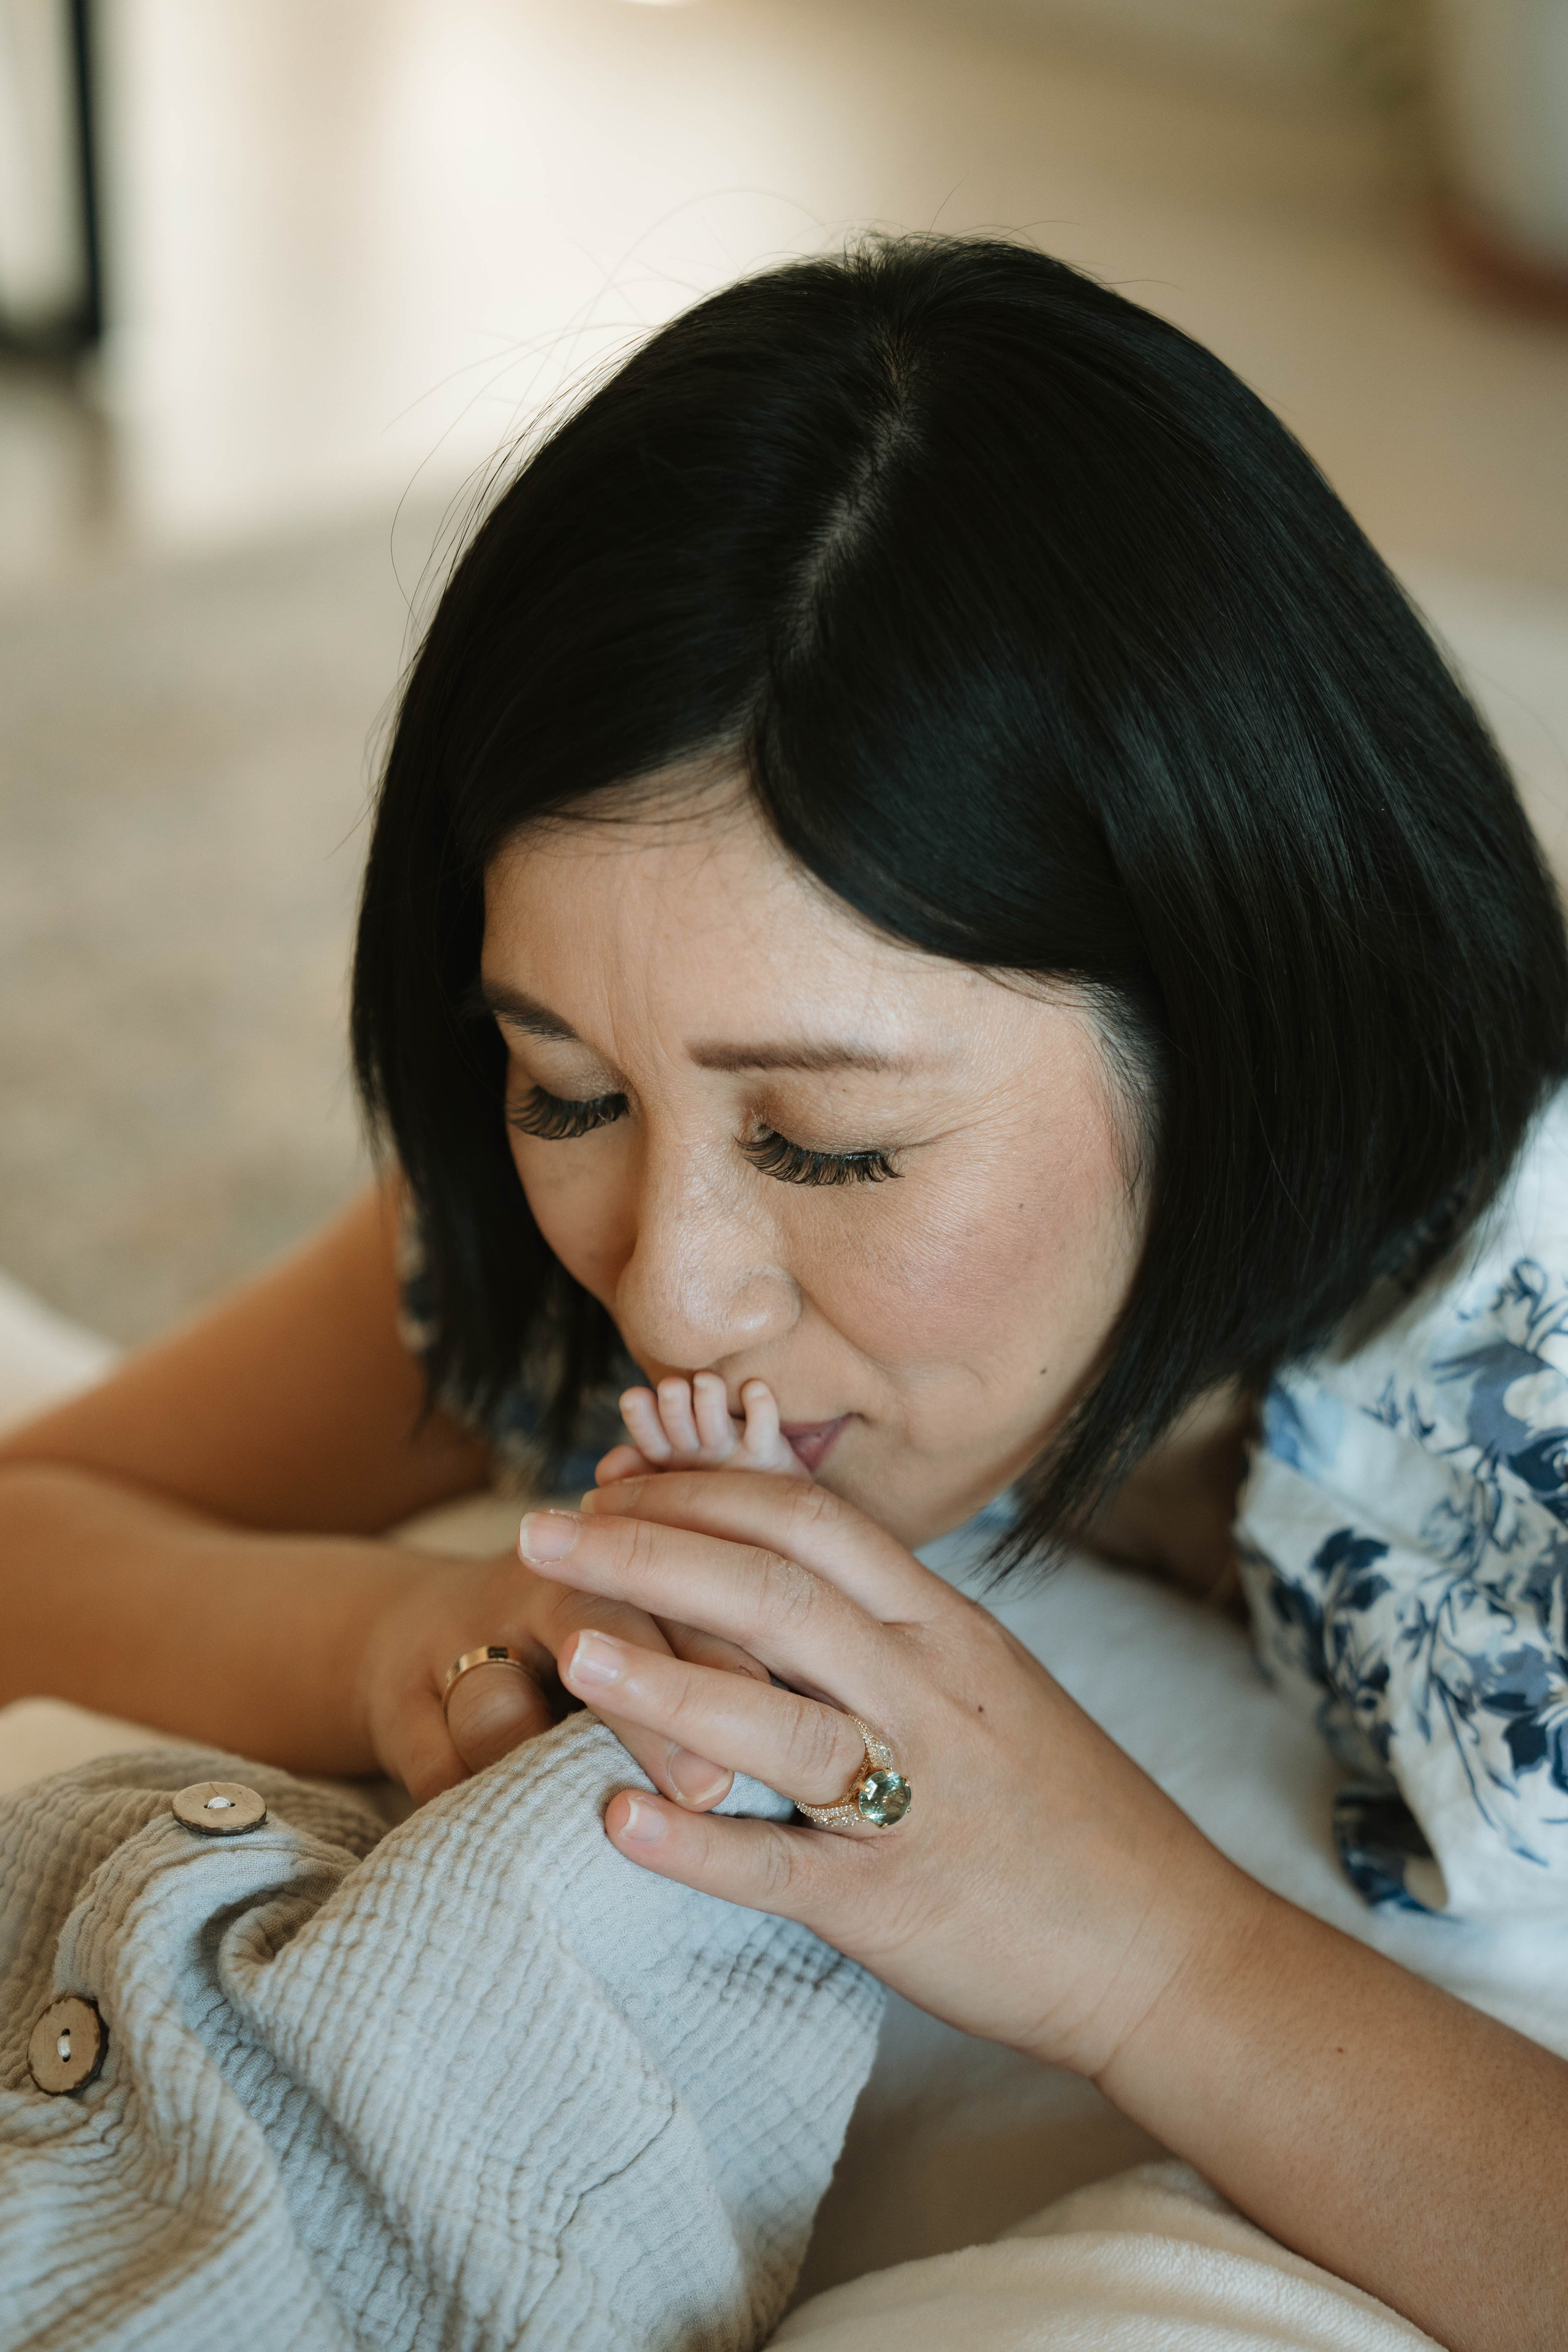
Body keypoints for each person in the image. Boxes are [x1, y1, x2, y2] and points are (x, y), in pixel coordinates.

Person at [2, 235, 1566, 2350]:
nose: (669, 1293)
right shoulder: (572, 1230)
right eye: (567, 1088)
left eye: (829, 1144)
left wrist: (1145, 1948)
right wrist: (406, 1633)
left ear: (1235, 1026)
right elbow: (30, 1530)